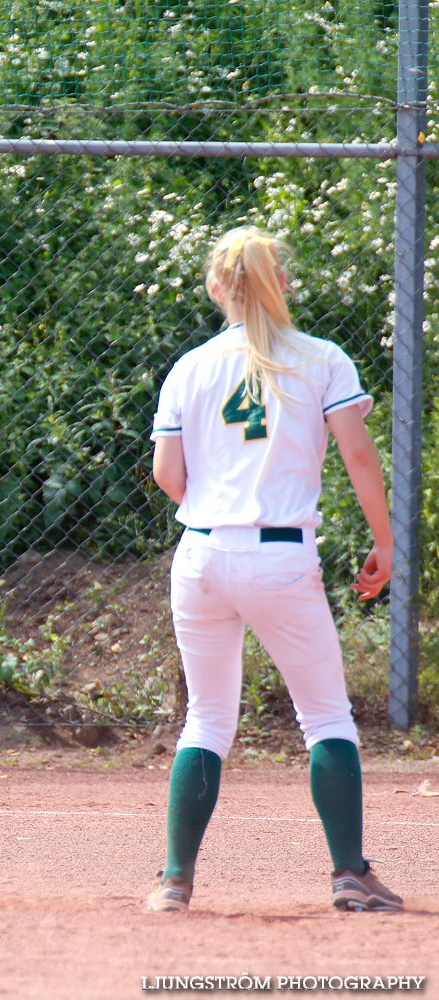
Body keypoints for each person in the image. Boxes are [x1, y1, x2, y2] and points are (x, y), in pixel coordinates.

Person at [146, 226, 401, 913]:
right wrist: (386, 542)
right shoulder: (321, 360)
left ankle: (174, 881)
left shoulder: (190, 367)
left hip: (200, 553)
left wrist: (215, 502)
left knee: (206, 719)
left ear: (215, 287)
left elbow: (167, 474)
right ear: (281, 283)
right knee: (324, 717)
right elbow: (359, 457)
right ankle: (349, 874)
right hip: (281, 552)